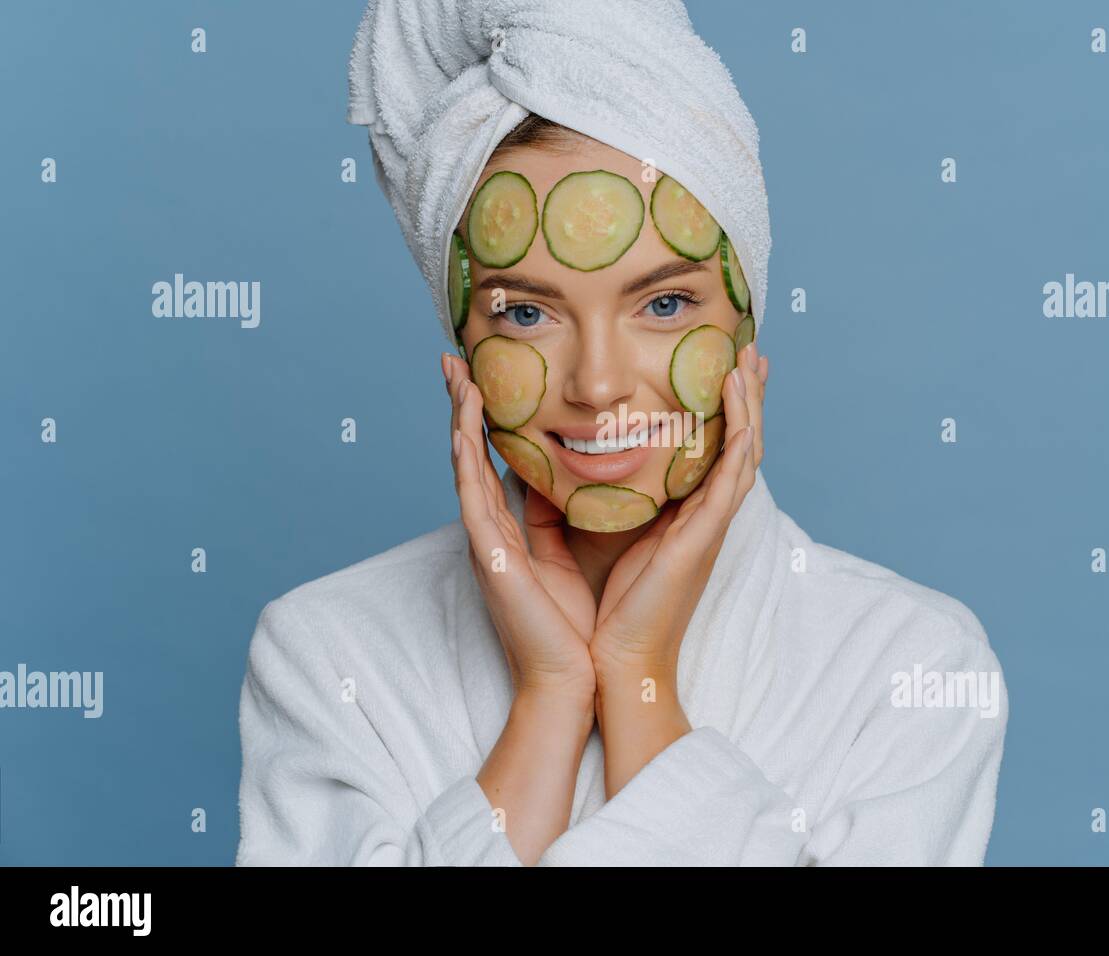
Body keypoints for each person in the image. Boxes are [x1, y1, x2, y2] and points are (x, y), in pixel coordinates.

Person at [234, 0, 1008, 867]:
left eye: (665, 303)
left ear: (747, 326)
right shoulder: (328, 654)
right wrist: (549, 698)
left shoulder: (912, 669)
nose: (597, 385)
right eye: (526, 312)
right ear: (461, 351)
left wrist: (639, 677)